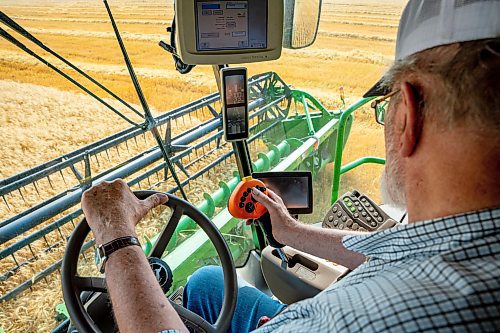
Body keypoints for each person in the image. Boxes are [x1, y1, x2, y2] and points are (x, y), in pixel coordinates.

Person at [81, 0, 500, 332]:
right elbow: (389, 252)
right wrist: (291, 231)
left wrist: (116, 237)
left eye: (384, 107)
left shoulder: (356, 323)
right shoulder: (466, 240)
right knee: (210, 284)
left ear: (407, 114)